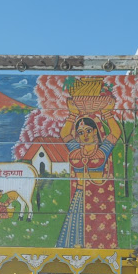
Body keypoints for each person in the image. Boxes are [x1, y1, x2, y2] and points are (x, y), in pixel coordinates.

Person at [56, 97, 122, 249]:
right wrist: (72, 115)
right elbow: (65, 133)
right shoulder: (76, 151)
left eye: (88, 130)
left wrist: (107, 114)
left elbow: (115, 132)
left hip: (97, 200)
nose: (84, 135)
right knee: (74, 238)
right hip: (79, 197)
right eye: (80, 132)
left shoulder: (102, 151)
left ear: (95, 132)